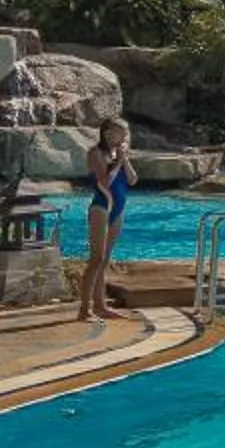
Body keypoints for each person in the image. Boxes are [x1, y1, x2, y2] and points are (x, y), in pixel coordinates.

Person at [77, 118, 134, 322]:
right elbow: (106, 181)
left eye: (126, 134)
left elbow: (133, 179)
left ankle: (100, 306)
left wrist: (124, 160)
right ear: (108, 133)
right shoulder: (96, 153)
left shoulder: (118, 154)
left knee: (105, 260)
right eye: (121, 133)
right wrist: (118, 162)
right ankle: (84, 309)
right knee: (96, 258)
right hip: (101, 208)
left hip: (118, 209)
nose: (124, 137)